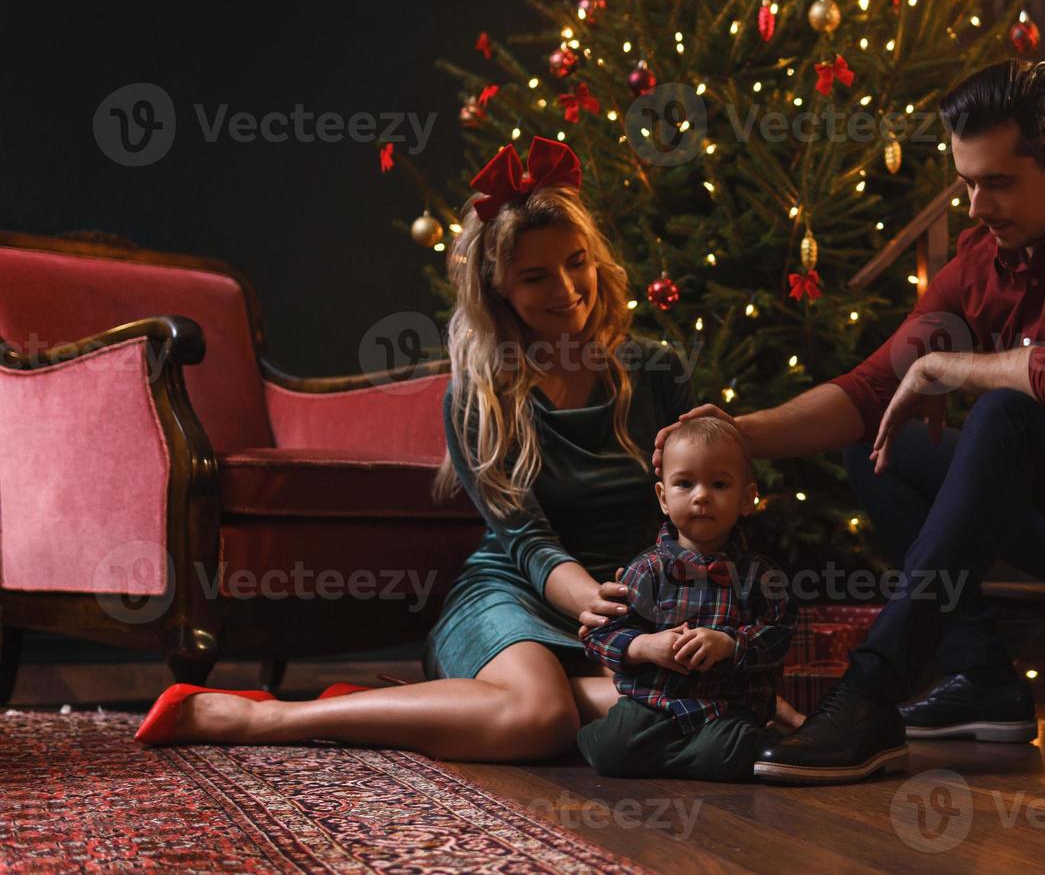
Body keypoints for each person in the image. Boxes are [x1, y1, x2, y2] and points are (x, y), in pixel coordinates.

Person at [586, 59, 1045, 784]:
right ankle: (983, 680)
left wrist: (951, 369)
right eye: (966, 182)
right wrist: (729, 438)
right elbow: (873, 388)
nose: (974, 206)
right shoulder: (985, 258)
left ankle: (871, 692)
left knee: (1010, 412)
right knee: (884, 444)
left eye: (997, 182)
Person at [135, 136, 802, 759]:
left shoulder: (658, 373)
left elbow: (694, 510)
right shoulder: (478, 394)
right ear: (499, 290)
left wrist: (687, 633)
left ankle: (418, 709)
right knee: (540, 719)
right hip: (520, 591)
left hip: (643, 604)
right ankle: (273, 718)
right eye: (536, 276)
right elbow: (525, 538)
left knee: (587, 711)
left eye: (576, 265)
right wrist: (596, 609)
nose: (567, 291)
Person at [578, 417, 795, 781]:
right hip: (655, 703)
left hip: (726, 707)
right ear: (664, 498)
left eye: (719, 484)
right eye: (685, 483)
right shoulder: (646, 570)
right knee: (611, 750)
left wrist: (730, 644)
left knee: (728, 754)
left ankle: (681, 757)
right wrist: (644, 646)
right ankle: (665, 753)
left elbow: (779, 634)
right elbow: (601, 635)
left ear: (746, 499)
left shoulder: (762, 576)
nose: (701, 496)